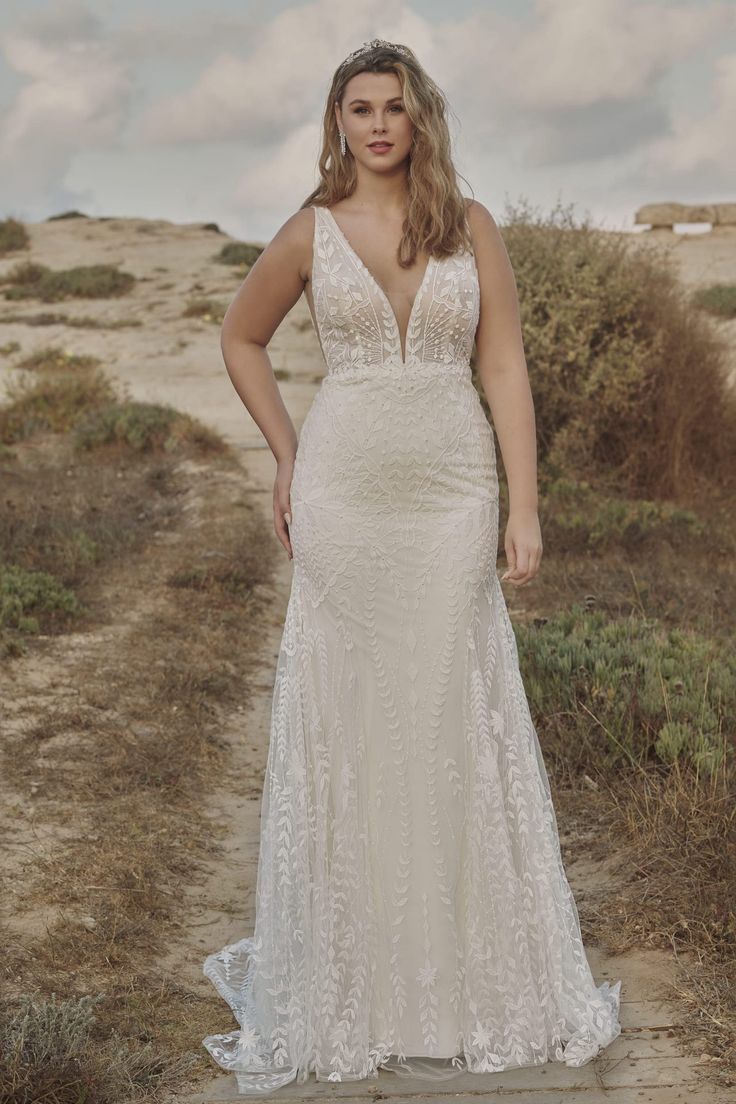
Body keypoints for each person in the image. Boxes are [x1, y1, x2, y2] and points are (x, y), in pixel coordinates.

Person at [201, 38, 622, 1096]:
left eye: (395, 106)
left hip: (447, 496)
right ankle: (360, 983)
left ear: (420, 118)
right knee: (354, 720)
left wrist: (523, 504)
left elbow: (503, 364)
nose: (378, 124)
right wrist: (289, 457)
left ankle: (462, 981)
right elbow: (240, 340)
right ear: (336, 122)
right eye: (359, 107)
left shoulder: (468, 227)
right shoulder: (309, 231)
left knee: (445, 715)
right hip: (344, 493)